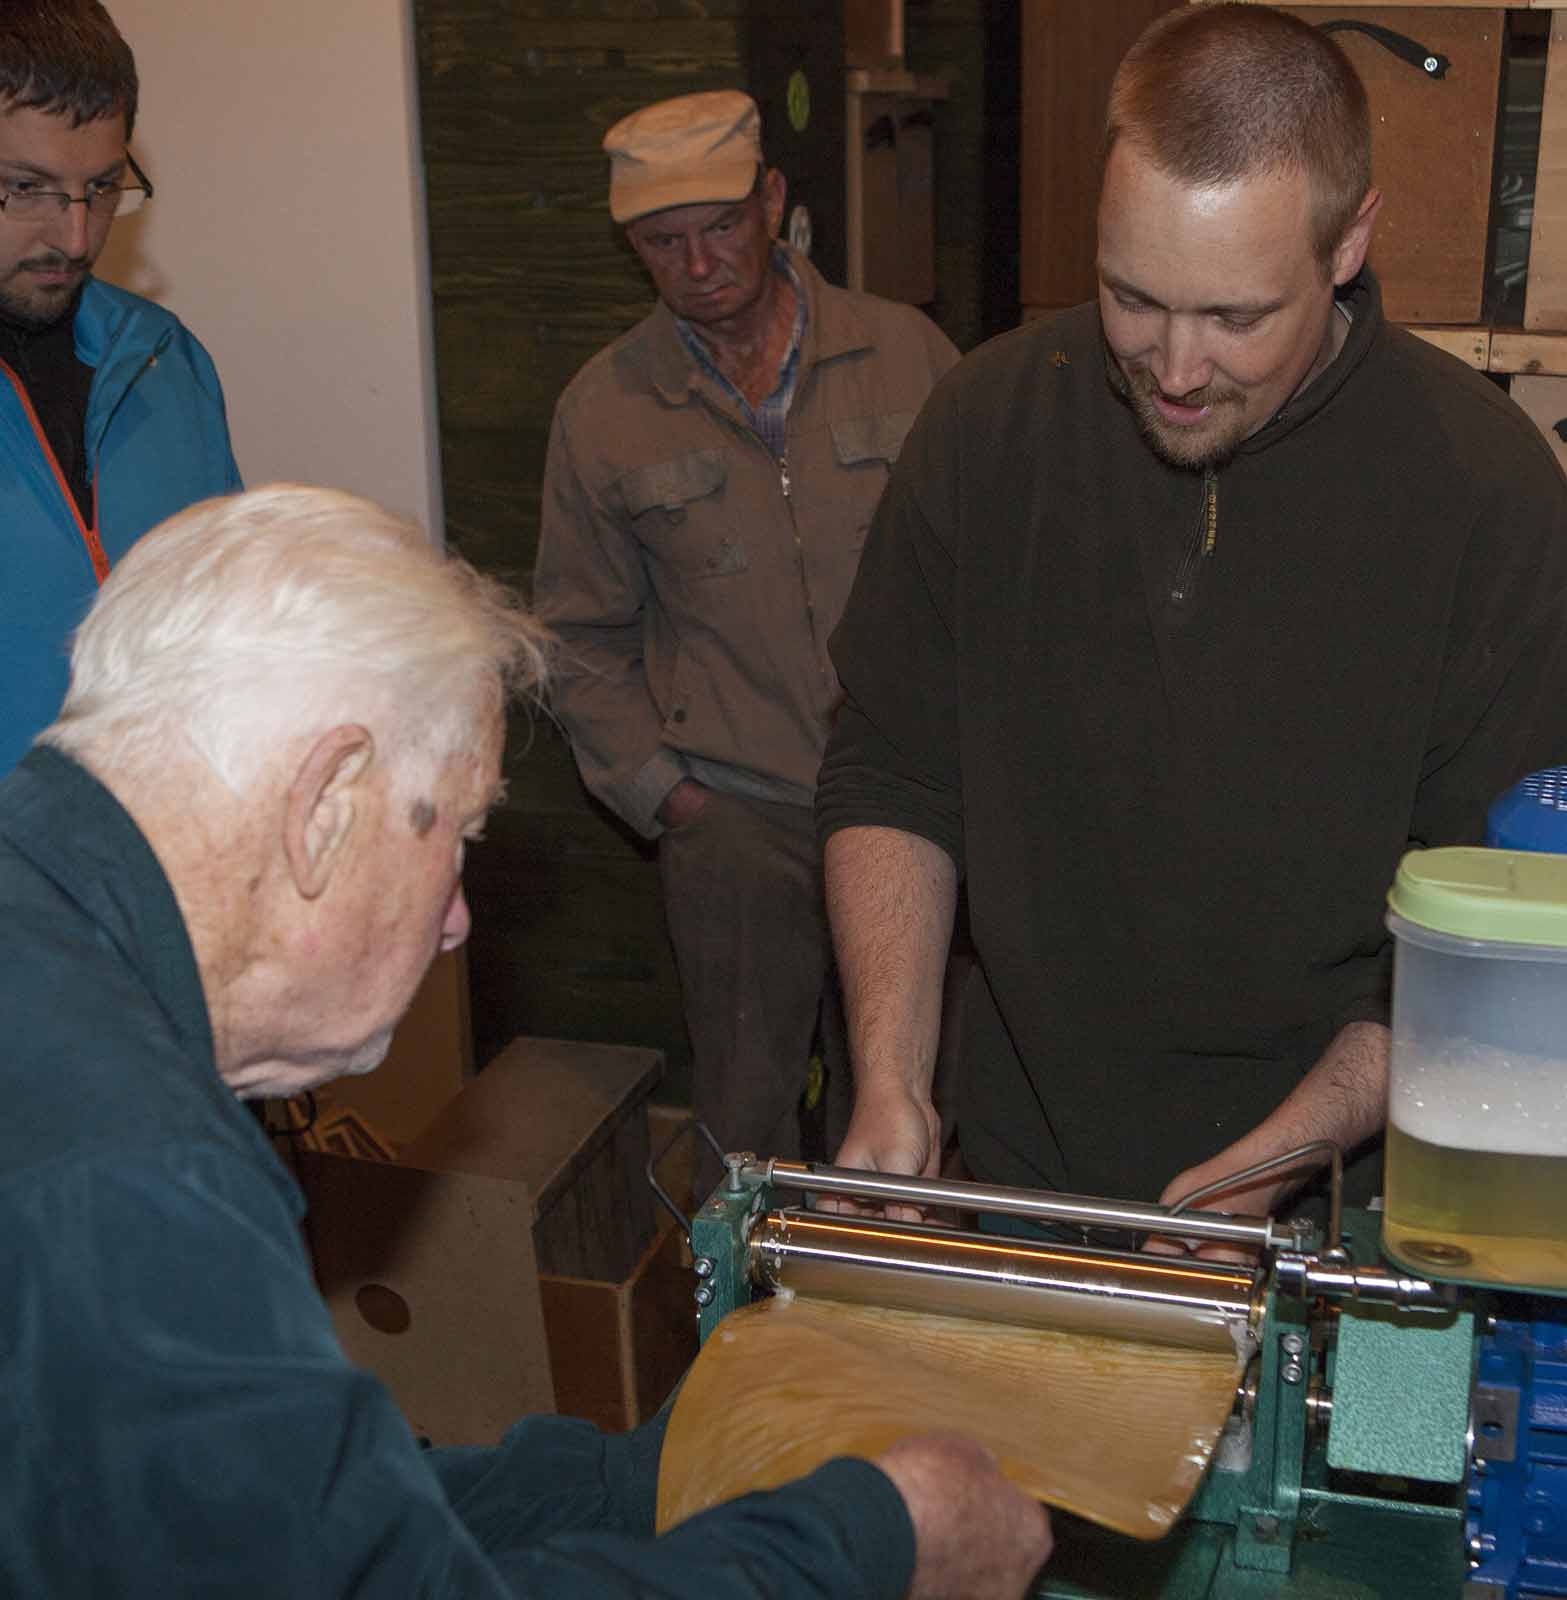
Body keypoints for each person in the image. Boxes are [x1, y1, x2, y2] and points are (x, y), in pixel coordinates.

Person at [0, 484, 1050, 1598]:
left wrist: (638, 1483)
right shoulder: (133, 1180)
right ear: (324, 804)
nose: (458, 919)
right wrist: (865, 1544)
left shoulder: (50, 963)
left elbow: (295, 1523)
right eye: (458, 835)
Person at [817, 3, 1567, 1230]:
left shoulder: (1487, 500)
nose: (1175, 369)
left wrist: (1275, 1164)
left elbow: (1491, 936)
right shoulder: (984, 428)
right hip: (1024, 1177)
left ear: (1348, 242)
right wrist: (890, 1078)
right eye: (1132, 296)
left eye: (1236, 318)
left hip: (1340, 1206)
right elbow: (893, 773)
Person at [533, 89, 958, 1195]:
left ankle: (892, 1283)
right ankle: (745, 1298)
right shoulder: (604, 410)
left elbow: (995, 574)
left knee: (910, 1096)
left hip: (907, 806)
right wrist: (667, 794)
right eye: (663, 242)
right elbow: (576, 634)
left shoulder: (906, 354)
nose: (699, 263)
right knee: (746, 1111)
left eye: (721, 226)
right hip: (735, 818)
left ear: (772, 201)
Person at [0, 0, 240, 776]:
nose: (75, 238)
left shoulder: (168, 362)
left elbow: (230, 637)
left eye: (102, 187)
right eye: (25, 187)